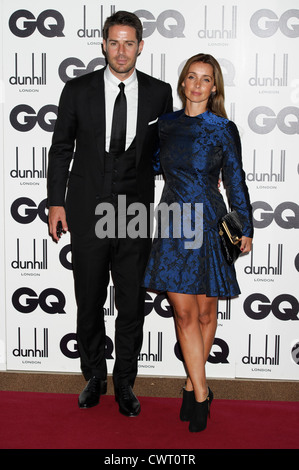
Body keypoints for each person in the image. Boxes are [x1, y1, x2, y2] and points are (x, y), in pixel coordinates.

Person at [47, 11, 173, 417]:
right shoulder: (78, 89)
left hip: (133, 209)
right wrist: (55, 202)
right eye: (114, 42)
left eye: (129, 43)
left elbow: (165, 153)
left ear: (141, 46)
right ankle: (93, 377)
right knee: (89, 297)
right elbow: (61, 148)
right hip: (87, 207)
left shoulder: (159, 92)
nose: (122, 51)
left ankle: (124, 383)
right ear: (103, 44)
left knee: (132, 302)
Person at [143, 53, 253, 432]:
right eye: (191, 76)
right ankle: (204, 394)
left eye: (206, 79)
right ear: (183, 82)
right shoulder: (165, 125)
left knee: (207, 313)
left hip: (209, 221)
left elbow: (236, 180)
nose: (197, 84)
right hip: (174, 222)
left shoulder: (223, 128)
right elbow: (152, 165)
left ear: (214, 87)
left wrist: (246, 228)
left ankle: (192, 384)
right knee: (184, 313)